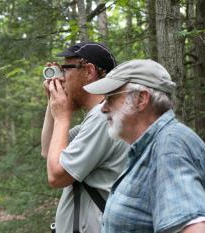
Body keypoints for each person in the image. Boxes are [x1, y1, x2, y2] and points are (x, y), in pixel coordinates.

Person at [83, 59, 205, 233]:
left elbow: (198, 229)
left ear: (141, 99)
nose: (103, 108)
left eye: (110, 98)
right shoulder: (152, 146)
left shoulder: (169, 147)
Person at [41, 42, 129, 233]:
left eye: (65, 69)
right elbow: (49, 151)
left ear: (89, 71)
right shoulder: (94, 120)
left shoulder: (103, 117)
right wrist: (53, 102)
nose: (61, 78)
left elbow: (56, 176)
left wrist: (63, 117)